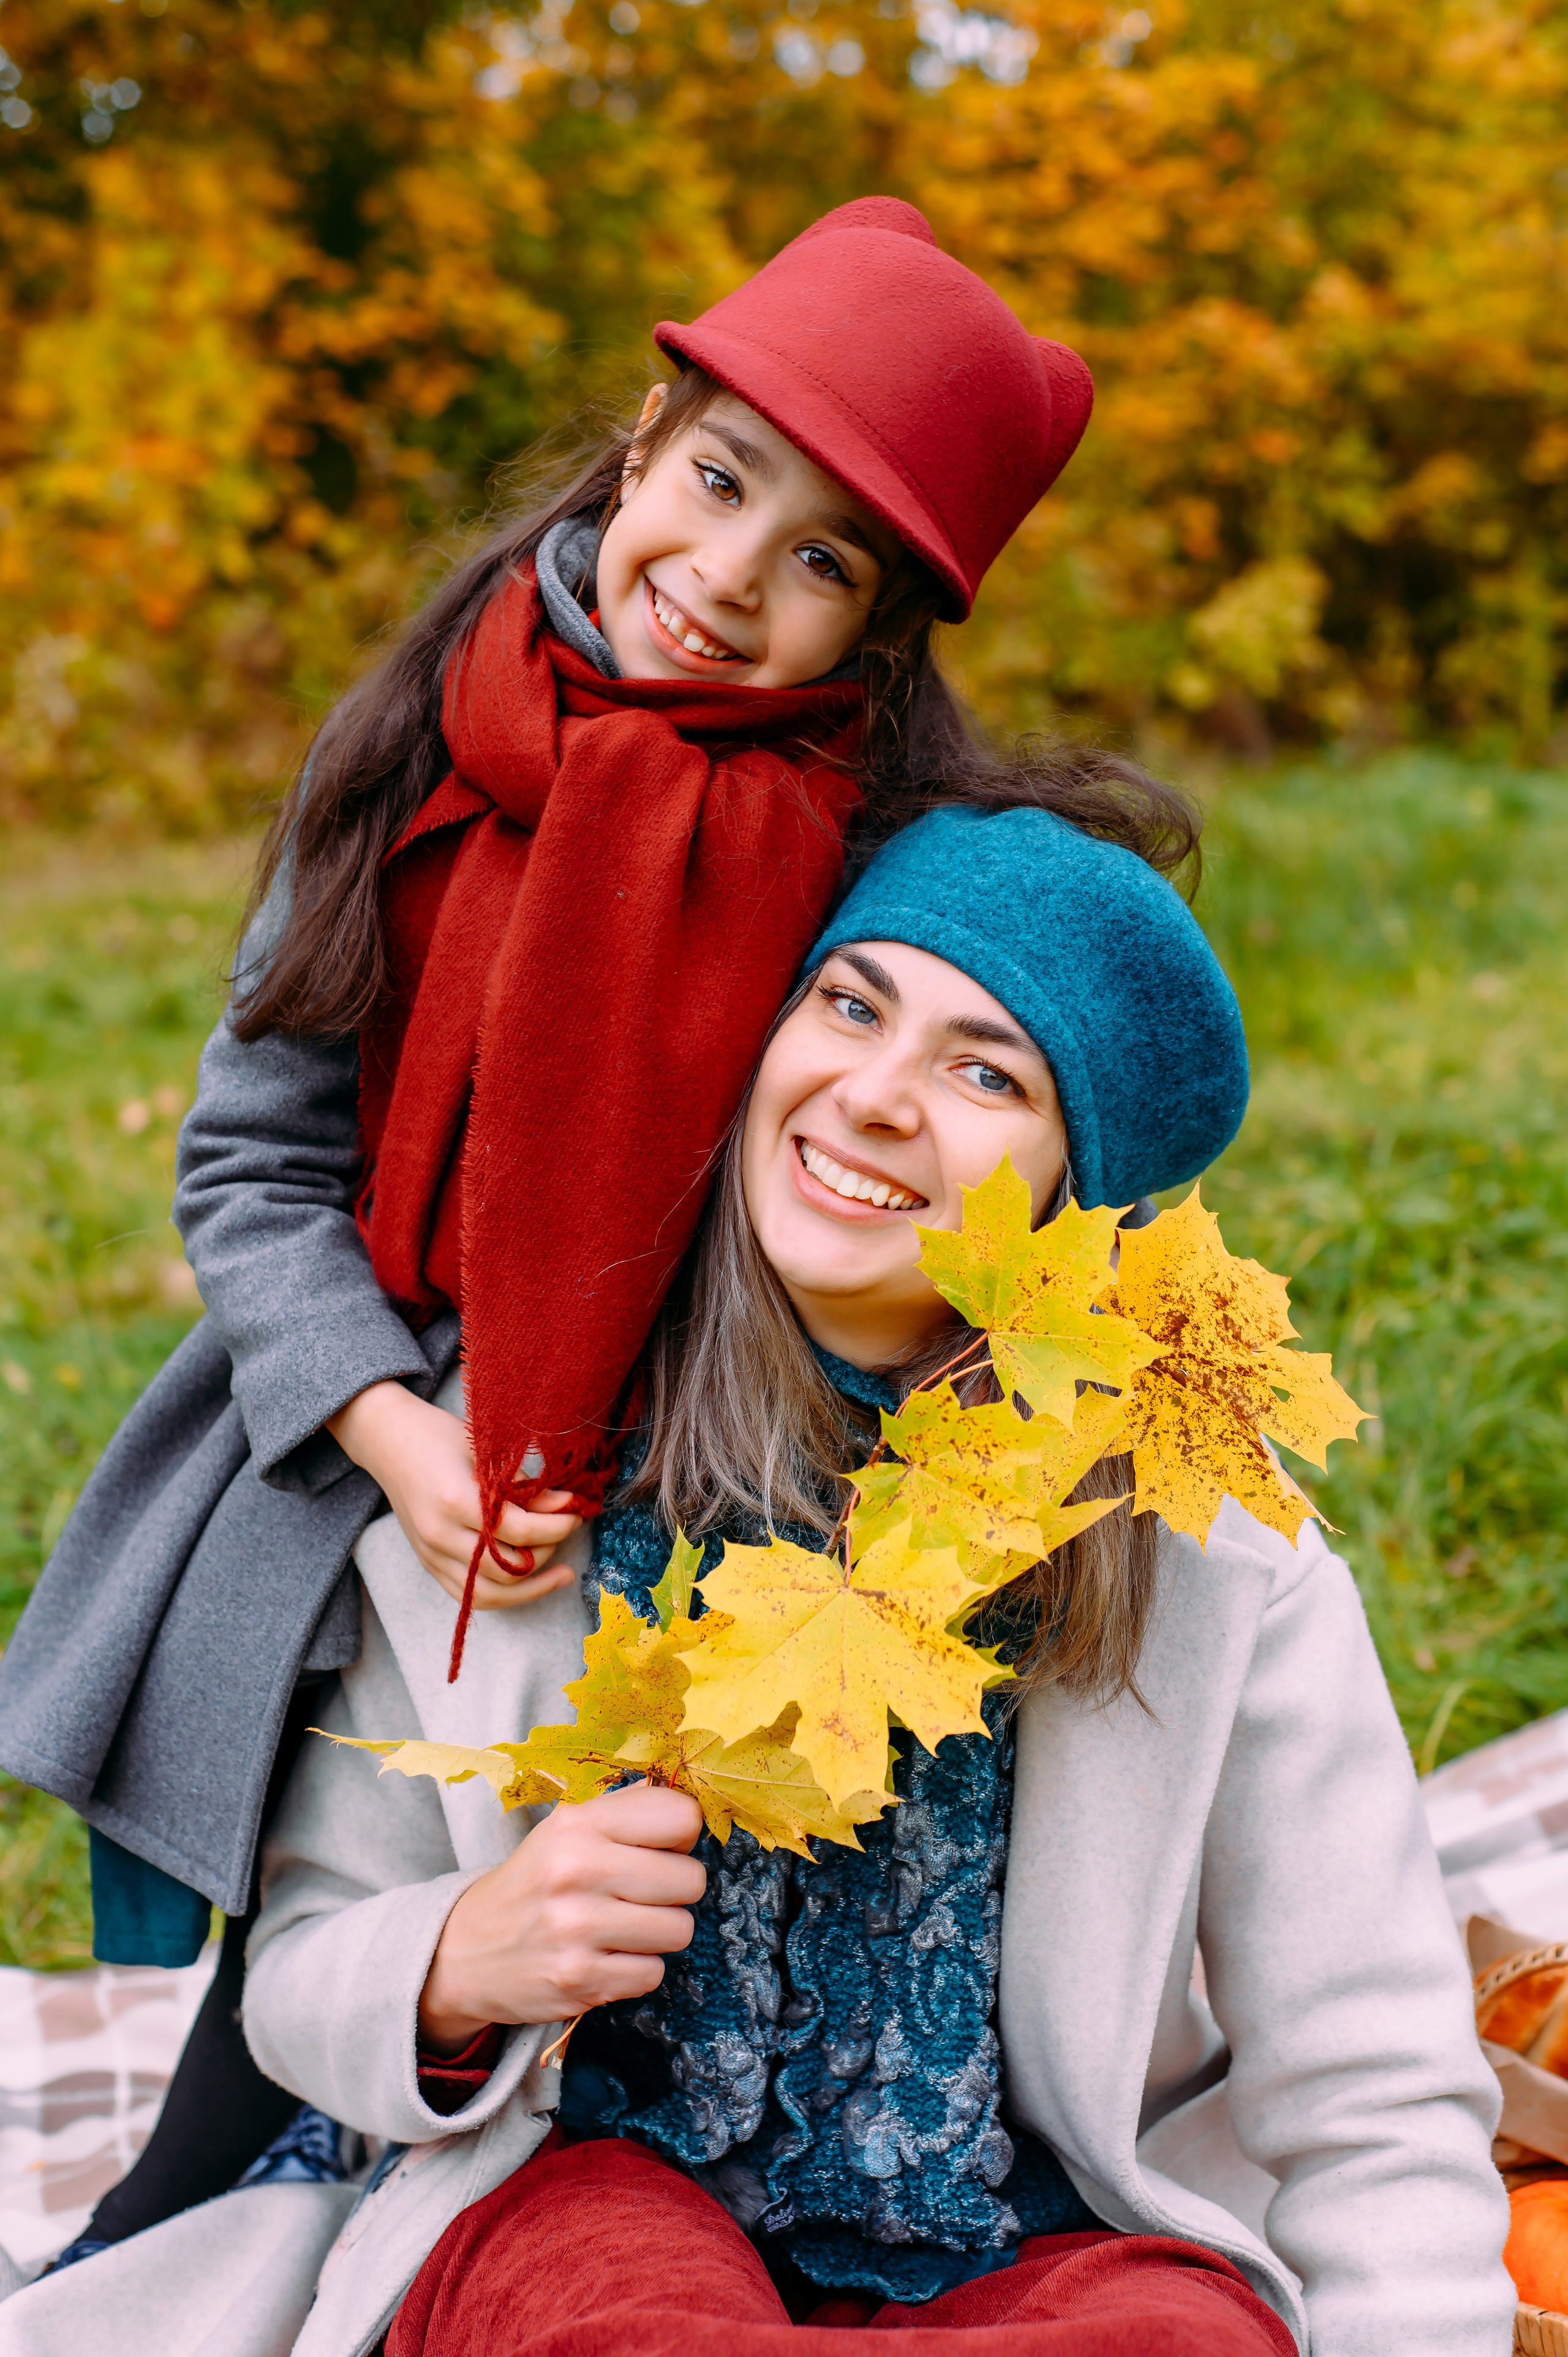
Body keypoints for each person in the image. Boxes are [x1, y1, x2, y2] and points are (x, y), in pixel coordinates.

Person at [0, 198, 1198, 2250]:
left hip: (712, 1422)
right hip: (372, 1410)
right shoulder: (404, 758)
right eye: (717, 481)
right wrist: (397, 1432)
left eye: (818, 558)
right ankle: (245, 2160)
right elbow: (252, 1160)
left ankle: (778, 2148)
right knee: (345, 1870)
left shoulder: (860, 846)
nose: (724, 580)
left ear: (879, 633)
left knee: (690, 1887)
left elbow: (945, 1115)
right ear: (645, 438)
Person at [0, 805, 1513, 2357]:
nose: (872, 1096)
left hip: (1046, 2230)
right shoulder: (514, 1460)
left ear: (1079, 1185)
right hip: (595, 2201)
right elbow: (306, 1977)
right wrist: (462, 1961)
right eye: (849, 1005)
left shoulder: (1196, 1535)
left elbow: (1371, 2071)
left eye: (984, 1071)